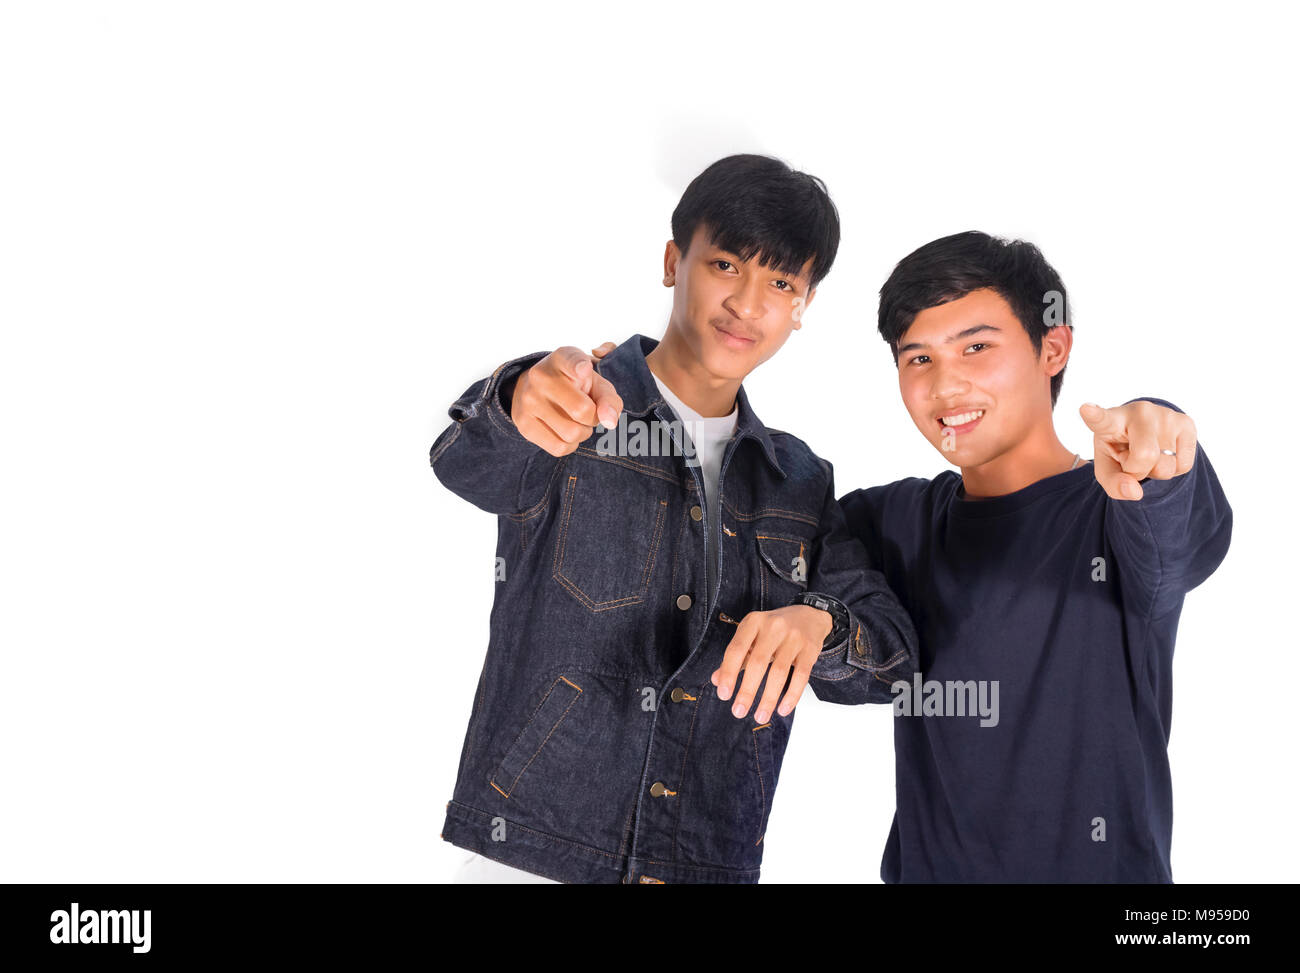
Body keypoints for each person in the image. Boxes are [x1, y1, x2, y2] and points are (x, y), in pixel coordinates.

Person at [428, 154, 917, 884]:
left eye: (781, 282)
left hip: (702, 863)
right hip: (530, 854)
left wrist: (820, 620)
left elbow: (892, 666)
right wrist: (515, 398)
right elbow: (466, 461)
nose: (748, 303)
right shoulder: (578, 401)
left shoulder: (800, 480)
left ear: (803, 303)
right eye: (725, 264)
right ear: (672, 261)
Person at [835, 231, 1233, 882]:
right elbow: (754, 525)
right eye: (918, 359)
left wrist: (1161, 449)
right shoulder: (892, 521)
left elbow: (1171, 529)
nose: (945, 386)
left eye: (976, 347)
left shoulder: (1113, 511)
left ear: (1053, 347)